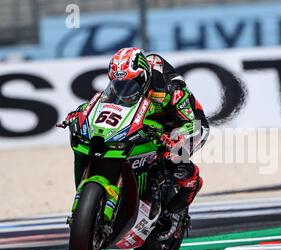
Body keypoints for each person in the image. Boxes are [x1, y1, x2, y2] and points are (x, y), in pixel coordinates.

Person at [65, 47, 209, 239]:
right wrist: (79, 114)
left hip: (182, 124)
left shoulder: (171, 89)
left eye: (133, 83)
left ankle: (181, 198)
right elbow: (101, 104)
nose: (126, 88)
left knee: (172, 158)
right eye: (119, 83)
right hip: (144, 123)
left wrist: (177, 136)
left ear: (144, 77)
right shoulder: (121, 85)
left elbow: (193, 123)